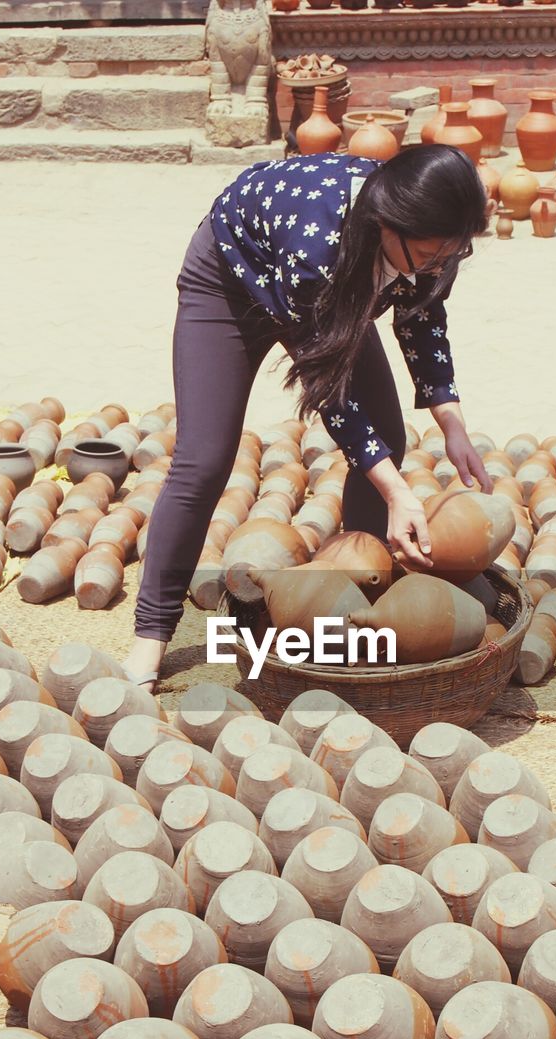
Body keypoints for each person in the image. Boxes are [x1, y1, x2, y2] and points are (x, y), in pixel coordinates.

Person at [124, 144, 493, 690]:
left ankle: (358, 599)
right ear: (390, 223)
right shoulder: (318, 242)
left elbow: (422, 319)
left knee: (387, 436)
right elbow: (332, 391)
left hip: (327, 291)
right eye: (432, 252)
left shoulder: (432, 241)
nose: (442, 263)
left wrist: (452, 424)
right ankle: (150, 636)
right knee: (204, 459)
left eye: (452, 253)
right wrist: (397, 492)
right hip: (231, 278)